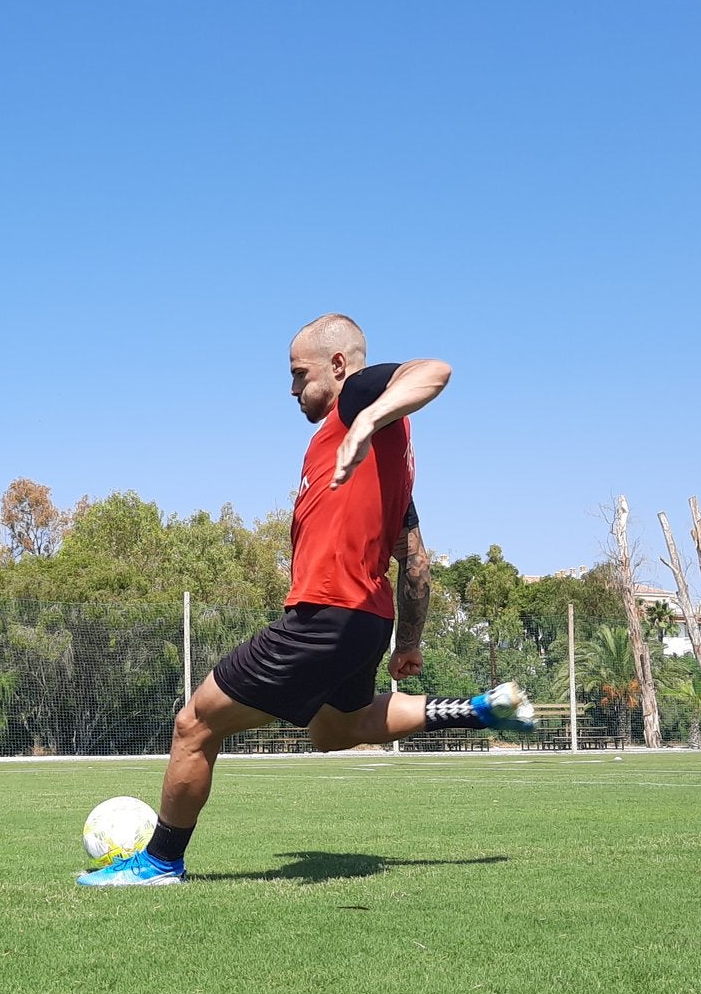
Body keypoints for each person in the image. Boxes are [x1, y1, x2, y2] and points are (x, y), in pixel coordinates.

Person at [77, 313, 532, 887]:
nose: (293, 391)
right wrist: (408, 641)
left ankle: (160, 862)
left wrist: (363, 419)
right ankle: (478, 710)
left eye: (299, 375)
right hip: (366, 619)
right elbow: (414, 559)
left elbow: (434, 371)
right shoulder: (387, 462)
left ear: (338, 366)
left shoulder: (358, 403)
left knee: (193, 724)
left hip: (325, 613)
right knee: (335, 731)